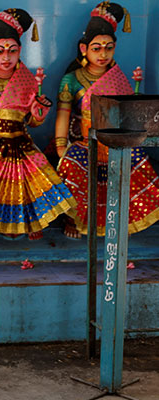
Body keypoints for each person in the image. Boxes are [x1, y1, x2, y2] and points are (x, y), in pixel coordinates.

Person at [0, 8, 76, 241]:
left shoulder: (27, 80)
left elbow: (32, 122)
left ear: (20, 51)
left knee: (32, 179)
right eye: (0, 51)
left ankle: (30, 221)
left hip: (21, 140)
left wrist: (39, 115)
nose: (6, 57)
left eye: (12, 51)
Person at [55, 2, 159, 238]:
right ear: (84, 48)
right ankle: (75, 220)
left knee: (137, 162)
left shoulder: (118, 78)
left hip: (113, 141)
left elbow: (126, 115)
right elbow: (62, 115)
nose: (103, 54)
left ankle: (125, 218)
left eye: (108, 48)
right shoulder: (71, 80)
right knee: (72, 166)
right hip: (82, 141)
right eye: (96, 48)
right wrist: (61, 145)